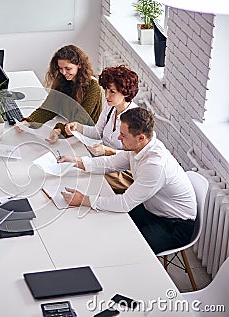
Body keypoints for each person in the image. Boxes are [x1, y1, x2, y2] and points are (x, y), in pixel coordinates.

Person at [58, 107, 197, 254]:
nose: (119, 138)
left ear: (141, 137)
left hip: (174, 225)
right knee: (103, 221)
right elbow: (110, 163)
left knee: (124, 249)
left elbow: (124, 203)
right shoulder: (140, 147)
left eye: (123, 135)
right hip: (151, 209)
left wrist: (83, 199)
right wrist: (75, 161)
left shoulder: (154, 165)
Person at [65, 65, 139, 193]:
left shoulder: (135, 118)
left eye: (112, 91)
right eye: (105, 90)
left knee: (84, 178)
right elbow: (97, 132)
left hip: (122, 170)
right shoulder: (110, 107)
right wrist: (78, 127)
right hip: (104, 161)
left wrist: (108, 151)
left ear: (125, 92)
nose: (106, 95)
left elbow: (135, 156)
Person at [16, 45, 103, 142]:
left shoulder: (93, 86)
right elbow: (49, 108)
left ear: (79, 65)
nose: (64, 72)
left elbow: (81, 120)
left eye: (68, 68)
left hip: (86, 135)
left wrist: (59, 130)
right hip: (69, 126)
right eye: (61, 68)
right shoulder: (63, 80)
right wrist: (28, 122)